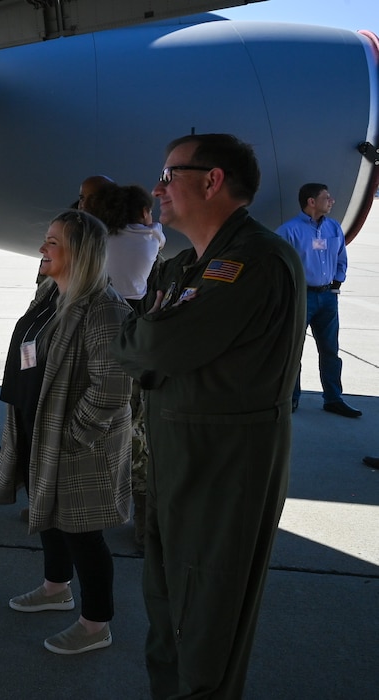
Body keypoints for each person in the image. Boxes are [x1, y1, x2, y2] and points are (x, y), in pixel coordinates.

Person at [111, 133, 306, 697]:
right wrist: (148, 347)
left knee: (205, 630)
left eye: (169, 175)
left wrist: (149, 347)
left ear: (212, 180)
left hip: (225, 470)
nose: (157, 188)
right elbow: (143, 345)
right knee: (167, 613)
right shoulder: (185, 266)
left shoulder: (254, 261)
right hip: (182, 463)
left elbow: (154, 349)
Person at [0, 210, 132, 655]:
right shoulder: (52, 294)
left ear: (80, 252)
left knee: (82, 532)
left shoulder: (105, 310)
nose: (42, 249)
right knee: (48, 512)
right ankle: (56, 589)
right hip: (40, 426)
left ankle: (96, 625)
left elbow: (111, 390)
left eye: (52, 242)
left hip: (76, 443)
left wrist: (72, 437)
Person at [92, 183, 166, 549]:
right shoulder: (151, 238)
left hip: (99, 337)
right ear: (141, 213)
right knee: (138, 439)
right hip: (133, 335)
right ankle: (142, 525)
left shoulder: (99, 239)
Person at [276, 183, 360, 417]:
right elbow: (276, 264)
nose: (332, 201)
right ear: (311, 202)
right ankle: (290, 398)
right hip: (300, 297)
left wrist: (337, 282)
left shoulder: (333, 228)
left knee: (330, 350)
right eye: (327, 197)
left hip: (327, 298)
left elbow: (342, 259)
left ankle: (333, 398)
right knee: (293, 351)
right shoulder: (289, 231)